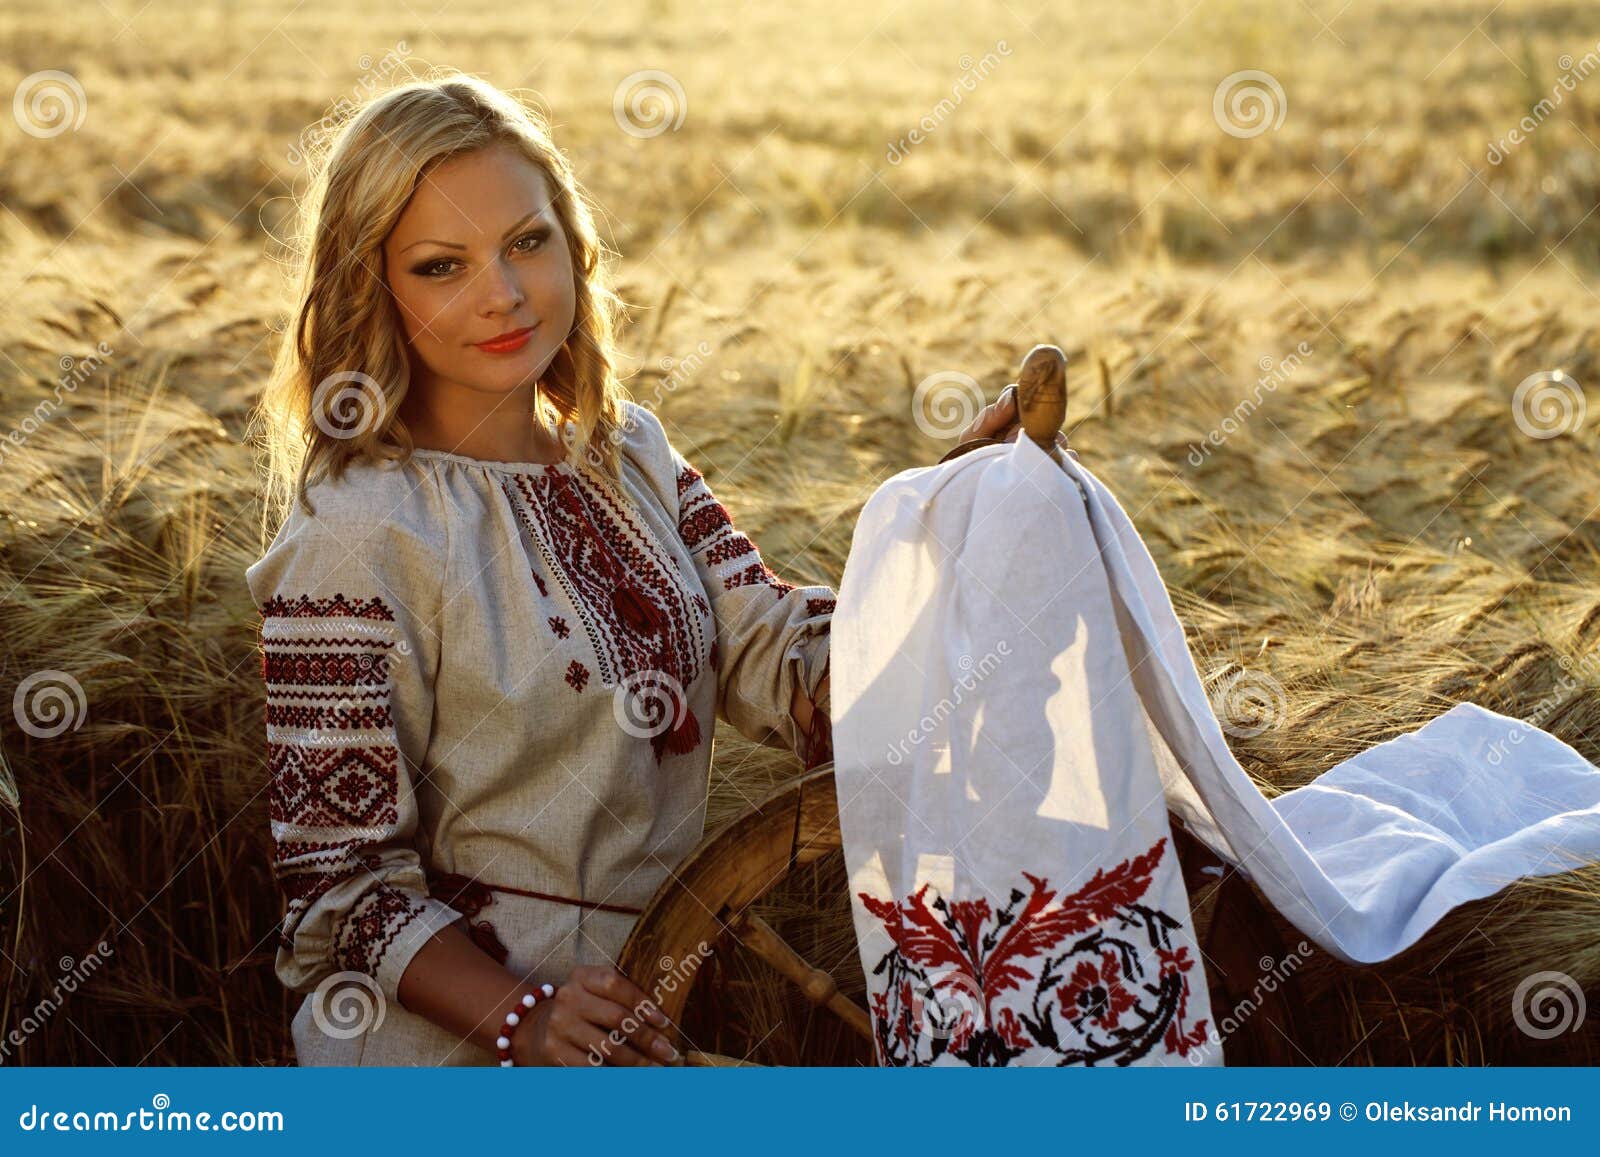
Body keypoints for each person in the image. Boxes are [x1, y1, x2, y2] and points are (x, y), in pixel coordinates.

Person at [245, 73, 840, 1066]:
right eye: (442, 265)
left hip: (645, 1031)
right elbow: (339, 886)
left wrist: (955, 521)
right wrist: (525, 1016)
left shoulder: (631, 452)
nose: (505, 294)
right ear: (372, 286)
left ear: (573, 240)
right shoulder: (357, 531)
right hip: (444, 1065)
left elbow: (769, 645)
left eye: (528, 241)